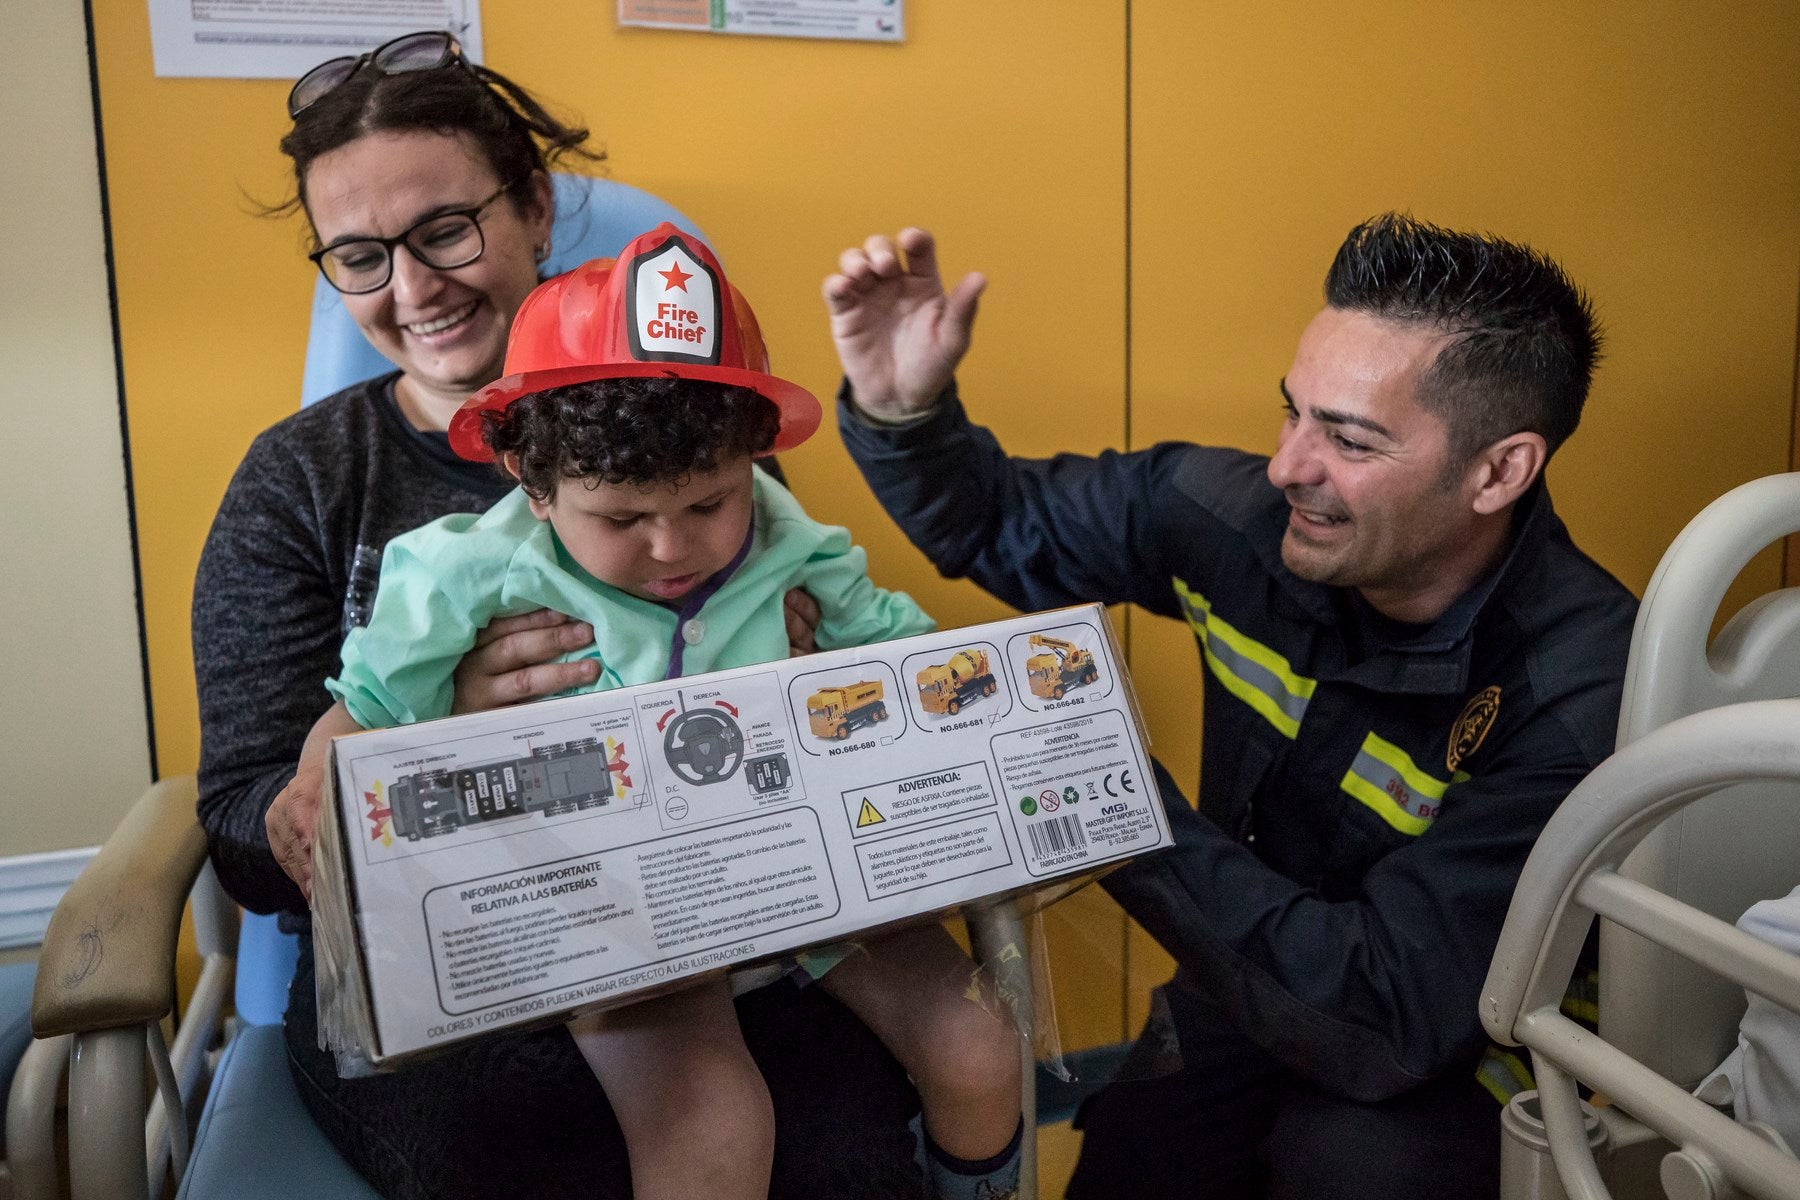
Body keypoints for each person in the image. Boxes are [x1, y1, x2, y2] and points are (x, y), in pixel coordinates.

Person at [193, 34, 925, 1199]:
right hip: (447, 975)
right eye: (359, 255)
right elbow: (243, 825)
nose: (414, 287)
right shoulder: (301, 484)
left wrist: (797, 691)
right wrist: (442, 734)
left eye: (444, 230)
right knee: (529, 1153)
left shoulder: (697, 441)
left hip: (711, 937)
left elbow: (839, 701)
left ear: (534, 207)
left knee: (847, 1155)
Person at [824, 215, 1640, 1199]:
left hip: (1466, 1054)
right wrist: (904, 412)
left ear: (1499, 471)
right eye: (1293, 411)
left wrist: (1106, 793)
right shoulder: (1239, 514)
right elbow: (997, 522)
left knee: (1354, 1168)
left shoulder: (1577, 695)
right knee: (1137, 1150)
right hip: (1253, 988)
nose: (1290, 465)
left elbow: (1388, 1020)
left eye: (1347, 437)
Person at [283, 224, 1026, 1200]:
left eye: (712, 503)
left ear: (754, 459)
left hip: (807, 888)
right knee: (713, 1130)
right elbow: (362, 713)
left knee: (980, 1046)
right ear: (531, 481)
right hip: (620, 930)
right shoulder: (464, 578)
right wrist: (314, 785)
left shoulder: (788, 542)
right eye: (624, 520)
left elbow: (914, 664)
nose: (674, 547)